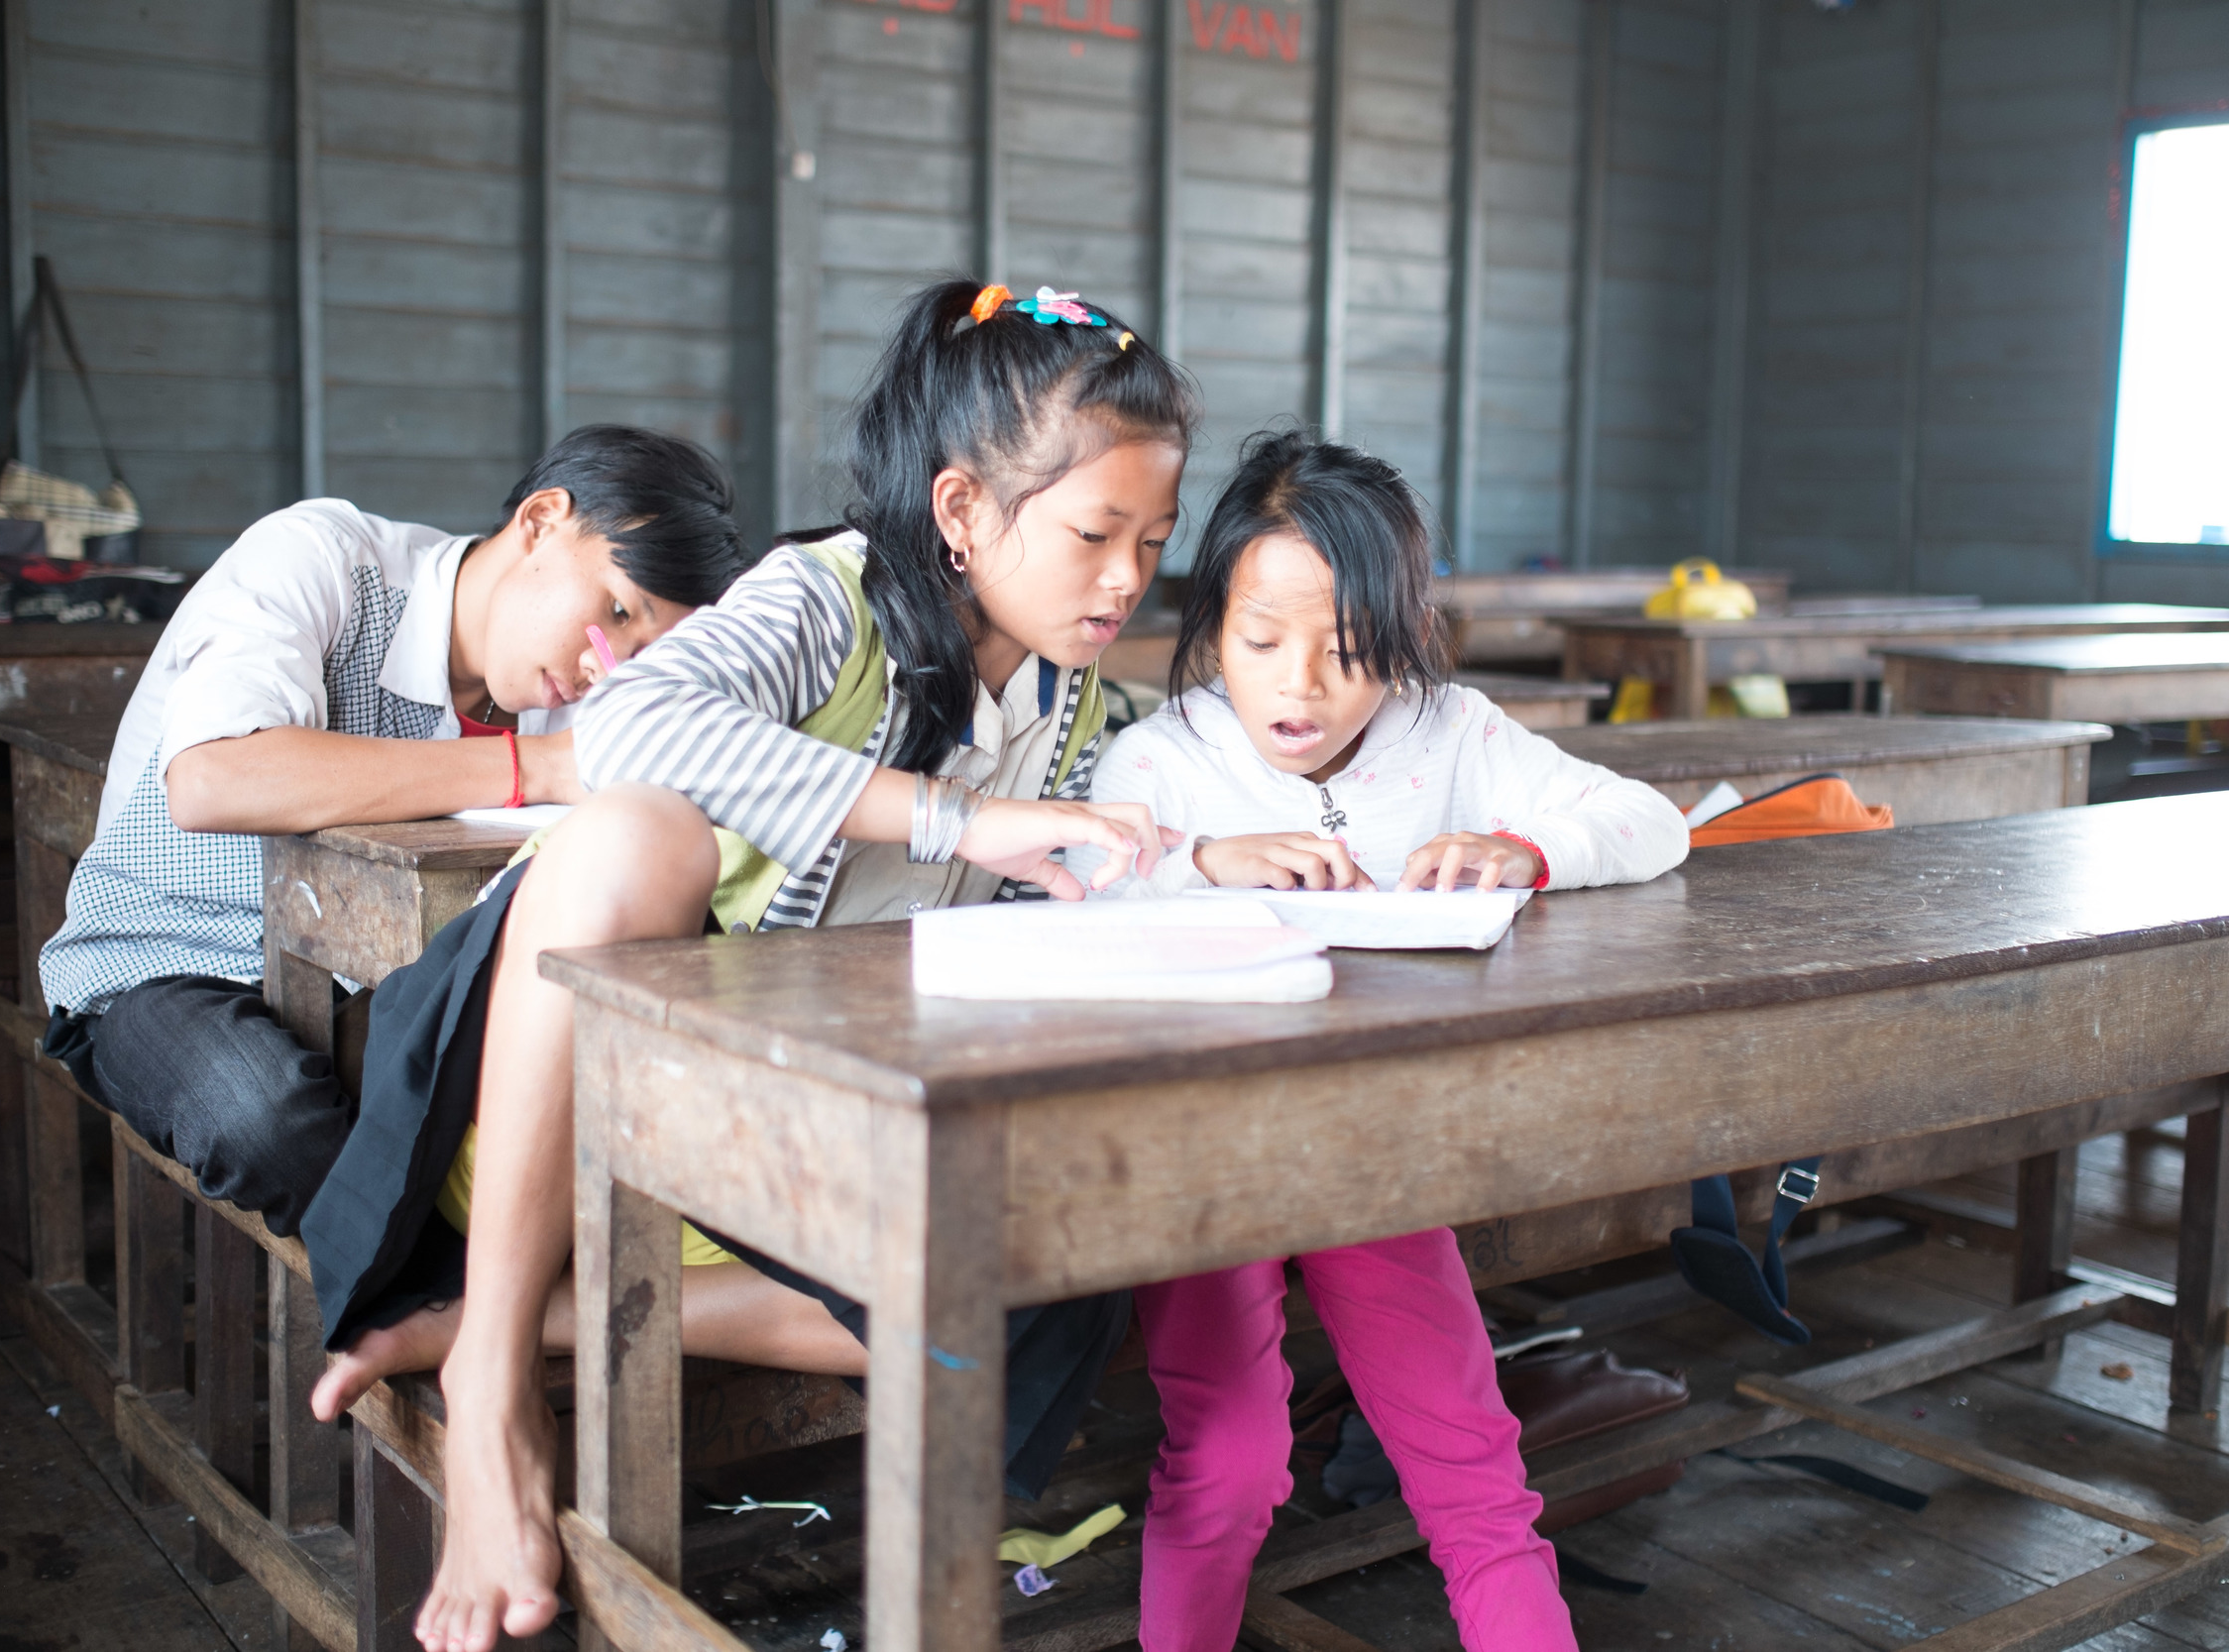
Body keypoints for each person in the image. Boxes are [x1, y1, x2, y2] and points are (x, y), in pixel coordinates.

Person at [296, 278, 1200, 1652]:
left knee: (1053, 1264)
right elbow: (639, 723)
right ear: (961, 512)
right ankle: (490, 1378)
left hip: (775, 1139)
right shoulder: (826, 596)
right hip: (571, 1090)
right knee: (635, 835)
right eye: (1093, 533)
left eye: (1154, 536)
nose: (1129, 575)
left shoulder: (1067, 689)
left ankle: (514, 1315)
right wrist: (960, 818)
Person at [1075, 429, 1690, 1651]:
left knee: (1469, 1460)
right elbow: (1078, 885)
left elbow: (1648, 819)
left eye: (1348, 653)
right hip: (1208, 1164)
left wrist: (1530, 848)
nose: (1299, 687)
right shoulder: (1163, 759)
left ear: (1400, 640)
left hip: (1374, 1155)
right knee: (1232, 1457)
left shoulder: (1449, 734)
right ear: (1212, 626)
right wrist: (1199, 860)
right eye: (1260, 644)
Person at [38, 424, 751, 1237]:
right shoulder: (322, 561)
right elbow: (213, 778)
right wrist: (537, 766)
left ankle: (484, 1305)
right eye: (617, 608)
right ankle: (465, 1314)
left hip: (380, 986)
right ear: (542, 520)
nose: (604, 664)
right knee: (268, 1123)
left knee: (579, 1104)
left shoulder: (585, 697)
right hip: (168, 960)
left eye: (641, 649)